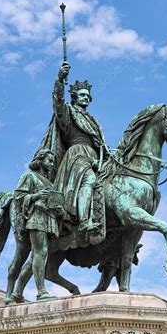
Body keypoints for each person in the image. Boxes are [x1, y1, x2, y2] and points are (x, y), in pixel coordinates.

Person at [51, 63, 108, 234]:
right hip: (77, 155)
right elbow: (58, 102)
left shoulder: (93, 120)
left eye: (88, 96)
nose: (86, 98)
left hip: (94, 156)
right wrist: (60, 80)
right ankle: (83, 222)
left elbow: (99, 144)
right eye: (82, 95)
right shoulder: (68, 113)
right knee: (89, 180)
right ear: (74, 97)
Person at [7, 149, 64, 302]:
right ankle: (41, 292)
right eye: (49, 160)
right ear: (40, 160)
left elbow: (53, 202)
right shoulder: (29, 176)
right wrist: (37, 196)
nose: (52, 164)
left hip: (48, 218)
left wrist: (59, 209)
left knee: (36, 257)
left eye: (52, 161)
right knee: (41, 252)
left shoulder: (50, 184)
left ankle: (17, 293)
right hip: (36, 217)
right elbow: (18, 197)